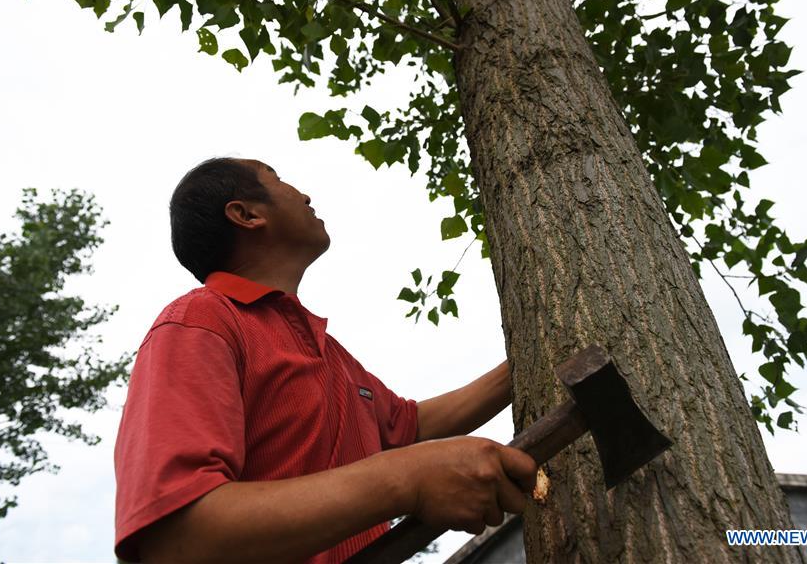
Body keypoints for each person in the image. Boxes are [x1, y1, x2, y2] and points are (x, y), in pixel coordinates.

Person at [113, 157, 537, 563]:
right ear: (246, 214)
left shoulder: (329, 352)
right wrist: (406, 479)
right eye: (277, 177)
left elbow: (411, 424)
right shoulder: (199, 322)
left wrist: (527, 363)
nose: (305, 194)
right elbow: (176, 538)